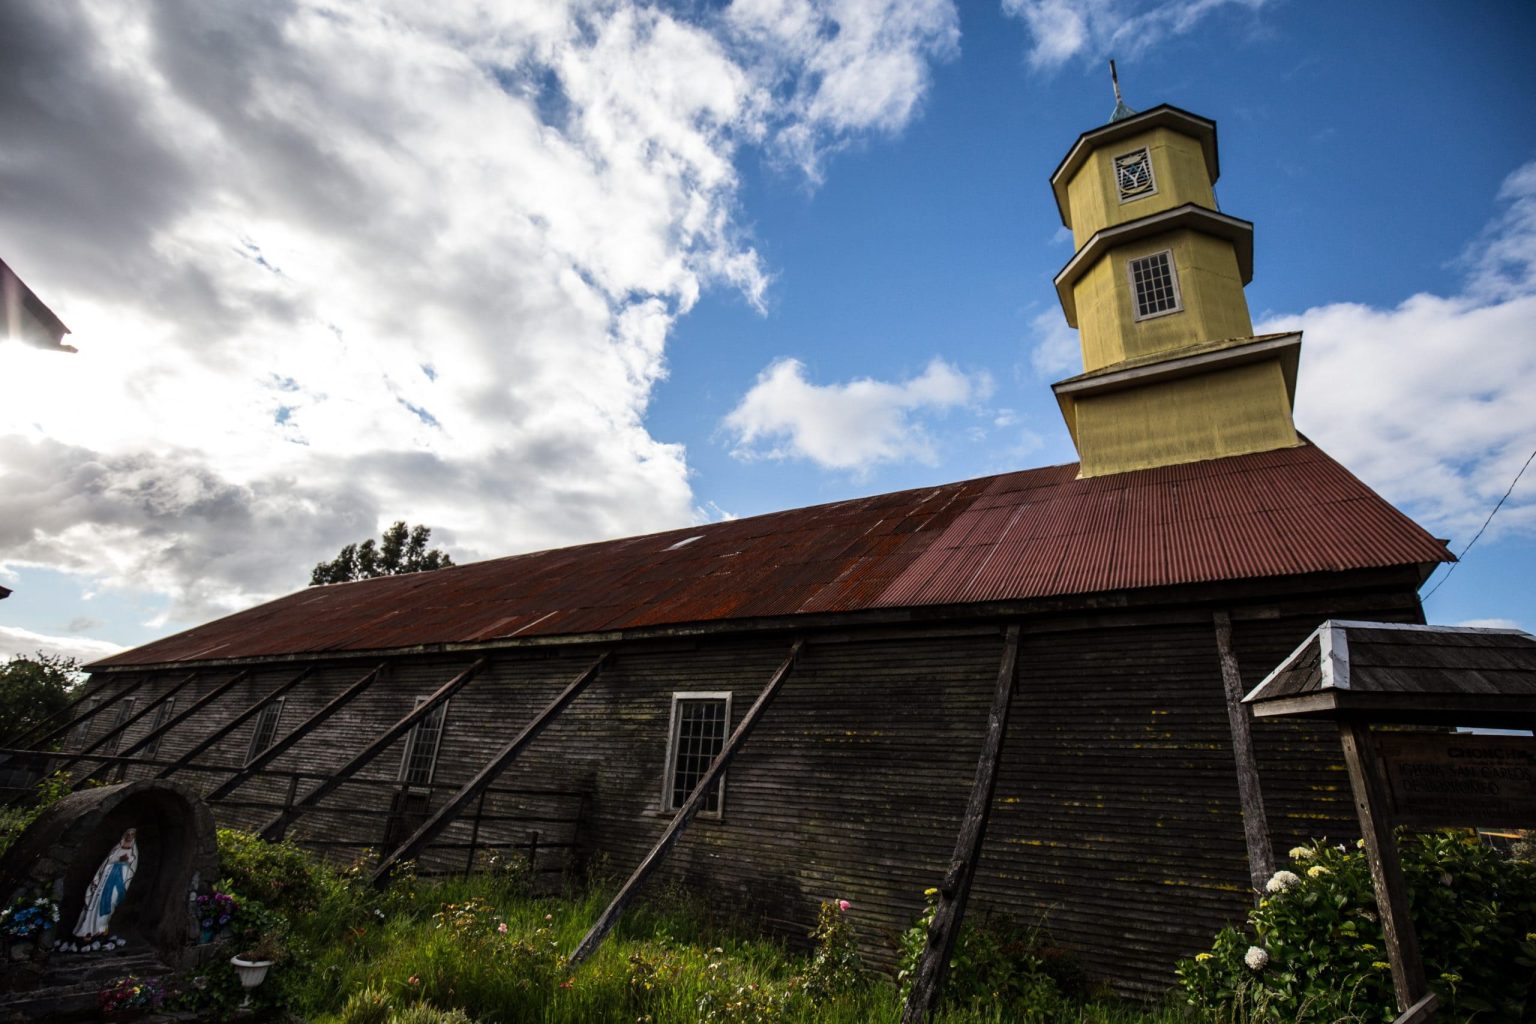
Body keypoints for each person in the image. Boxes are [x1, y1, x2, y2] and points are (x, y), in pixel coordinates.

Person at [70, 827, 137, 950]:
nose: (129, 836)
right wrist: (116, 863)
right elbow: (105, 865)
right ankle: (88, 931)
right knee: (95, 904)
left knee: (110, 905)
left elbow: (131, 871)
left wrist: (124, 865)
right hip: (104, 882)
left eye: (132, 834)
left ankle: (101, 931)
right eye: (128, 834)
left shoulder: (133, 853)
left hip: (117, 884)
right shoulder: (116, 849)